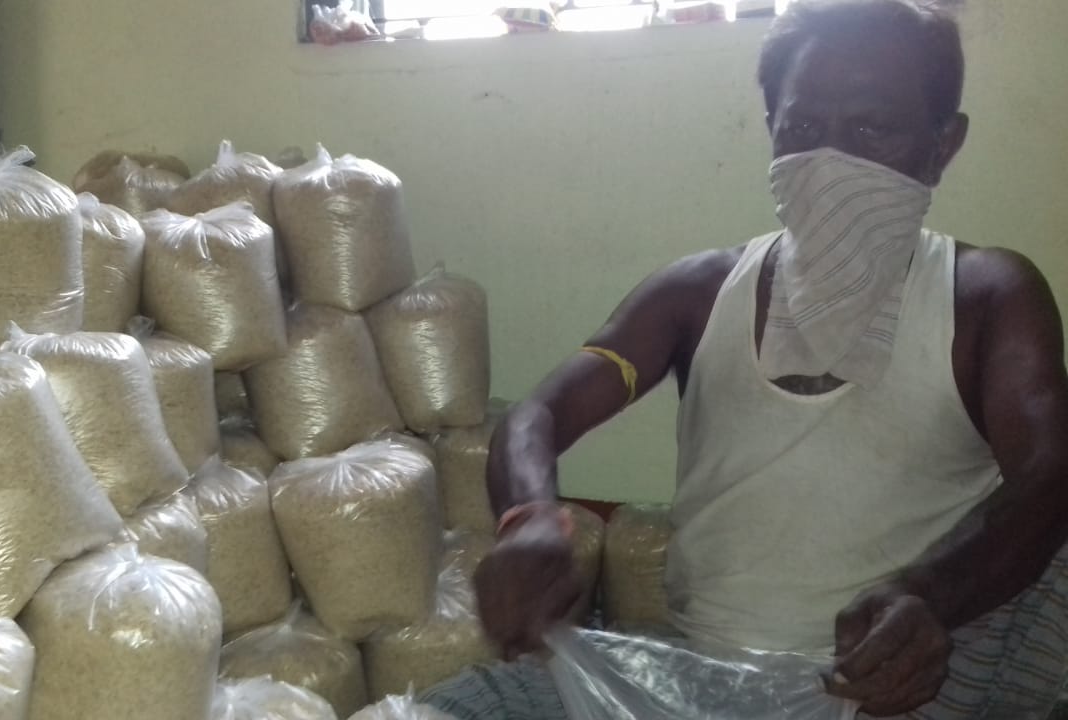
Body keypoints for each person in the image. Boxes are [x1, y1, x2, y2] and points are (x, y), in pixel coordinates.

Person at [421, 0, 1068, 718]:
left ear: (942, 144)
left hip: (896, 679)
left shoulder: (984, 298)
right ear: (770, 131)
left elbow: (1049, 480)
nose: (830, 161)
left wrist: (933, 596)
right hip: (707, 681)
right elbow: (539, 414)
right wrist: (530, 520)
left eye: (870, 128)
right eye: (802, 129)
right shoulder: (697, 295)